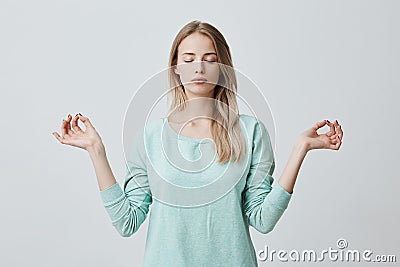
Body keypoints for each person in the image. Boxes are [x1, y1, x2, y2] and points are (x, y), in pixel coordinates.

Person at [52, 20, 343, 266]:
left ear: (223, 68)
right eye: (189, 59)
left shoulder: (251, 132)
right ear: (176, 68)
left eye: (210, 59)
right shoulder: (149, 138)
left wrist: (299, 150)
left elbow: (262, 220)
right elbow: (127, 222)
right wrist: (96, 150)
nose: (199, 68)